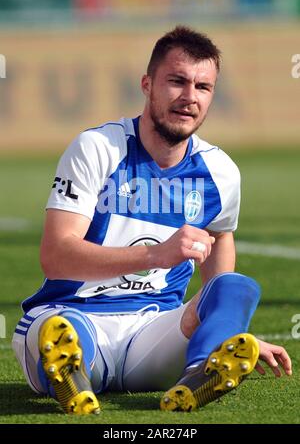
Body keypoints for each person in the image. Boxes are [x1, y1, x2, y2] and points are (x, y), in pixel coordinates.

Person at [12, 25, 292, 415]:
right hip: (73, 313)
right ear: (147, 84)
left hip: (154, 334)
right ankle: (71, 374)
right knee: (60, 335)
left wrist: (223, 327)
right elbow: (56, 256)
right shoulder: (97, 149)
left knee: (236, 288)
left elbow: (221, 238)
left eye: (203, 87)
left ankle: (199, 374)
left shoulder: (221, 172)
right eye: (176, 81)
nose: (189, 97)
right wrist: (155, 256)